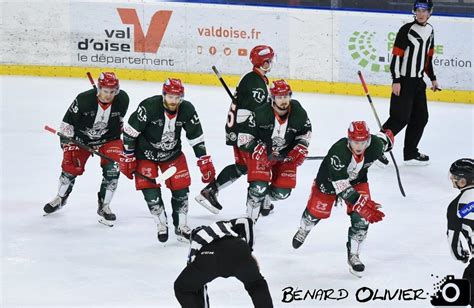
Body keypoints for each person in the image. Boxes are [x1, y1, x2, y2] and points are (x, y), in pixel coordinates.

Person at [119, 78, 216, 242]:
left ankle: (181, 226)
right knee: (150, 191)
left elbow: (196, 137)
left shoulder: (187, 109)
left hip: (172, 155)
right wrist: (128, 156)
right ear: (164, 95)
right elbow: (130, 132)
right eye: (170, 97)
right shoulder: (149, 107)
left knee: (181, 189)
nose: (174, 101)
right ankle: (161, 223)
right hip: (145, 154)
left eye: (177, 97)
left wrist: (203, 160)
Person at [292, 121, 392, 277]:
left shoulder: (376, 145)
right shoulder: (338, 152)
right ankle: (304, 228)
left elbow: (386, 138)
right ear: (349, 139)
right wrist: (362, 204)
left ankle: (354, 255)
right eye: (355, 142)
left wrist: (387, 142)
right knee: (314, 214)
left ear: (368, 140)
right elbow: (342, 188)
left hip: (358, 181)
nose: (359, 146)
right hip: (329, 182)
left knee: (362, 219)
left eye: (363, 142)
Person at [195, 45, 275, 215]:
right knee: (259, 165)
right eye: (268, 61)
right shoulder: (255, 82)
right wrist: (256, 136)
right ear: (263, 62)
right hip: (245, 132)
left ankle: (211, 190)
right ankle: (259, 203)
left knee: (243, 166)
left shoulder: (253, 78)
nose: (271, 64)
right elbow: (254, 113)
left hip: (238, 130)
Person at [44, 72, 129, 227]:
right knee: (70, 167)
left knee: (113, 169)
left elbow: (119, 121)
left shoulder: (123, 99)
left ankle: (104, 206)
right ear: (98, 88)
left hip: (109, 139)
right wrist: (68, 147)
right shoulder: (83, 100)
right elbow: (67, 126)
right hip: (81, 140)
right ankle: (60, 197)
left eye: (112, 91)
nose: (108, 95)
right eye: (105, 91)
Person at [239, 80, 311, 220]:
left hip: (285, 155)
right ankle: (250, 221)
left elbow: (305, 133)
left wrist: (301, 147)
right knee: (258, 188)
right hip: (262, 154)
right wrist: (258, 149)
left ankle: (266, 197)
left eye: (286, 96)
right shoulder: (260, 113)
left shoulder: (299, 113)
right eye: (279, 97)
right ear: (272, 98)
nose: (283, 100)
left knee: (283, 192)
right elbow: (243, 139)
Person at [379, 0, 440, 166]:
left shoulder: (430, 30)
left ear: (430, 12)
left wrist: (432, 78)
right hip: (404, 82)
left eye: (424, 10)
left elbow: (428, 58)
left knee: (421, 117)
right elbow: (396, 57)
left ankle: (411, 153)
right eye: (418, 10)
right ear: (414, 12)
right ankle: (376, 150)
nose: (421, 14)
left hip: (418, 83)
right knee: (399, 119)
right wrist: (396, 80)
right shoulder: (406, 30)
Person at [174, 218, 273, 308]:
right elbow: (246, 222)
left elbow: (198, 287)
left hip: (209, 256)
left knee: (183, 287)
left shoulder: (196, 241)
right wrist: (249, 251)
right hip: (238, 249)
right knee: (256, 285)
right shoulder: (221, 225)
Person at [446, 158, 473, 307]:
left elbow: (454, 243)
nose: (453, 181)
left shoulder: (455, 207)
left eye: (456, 178)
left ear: (464, 181)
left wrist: (461, 256)